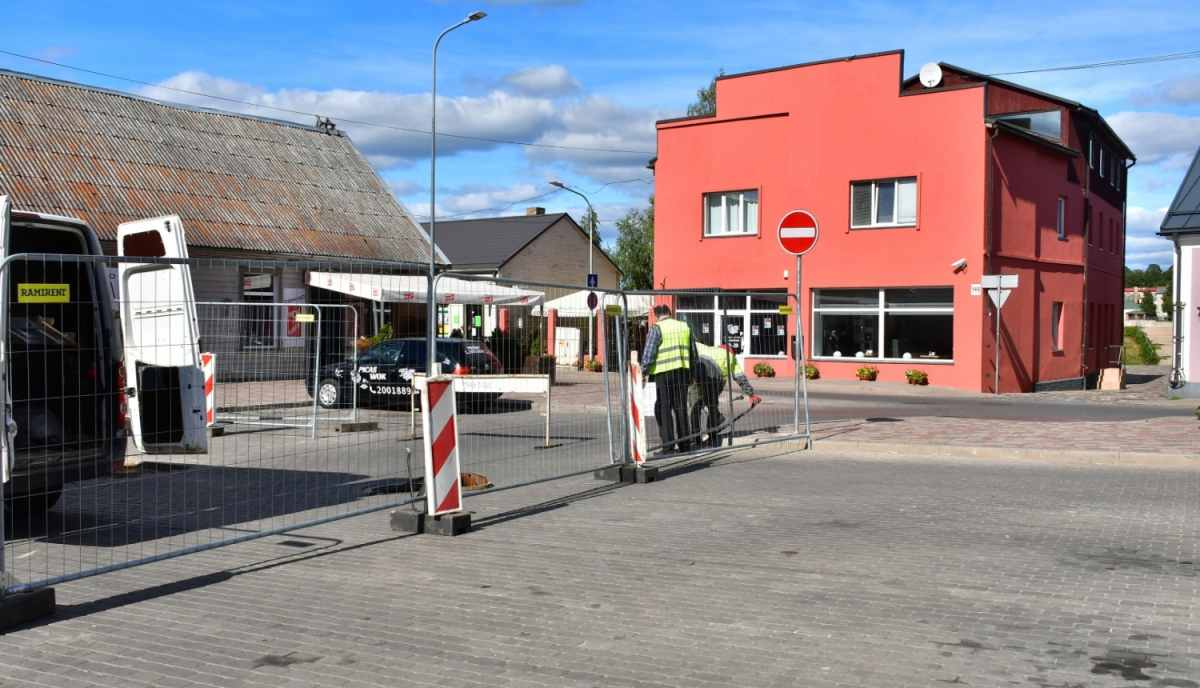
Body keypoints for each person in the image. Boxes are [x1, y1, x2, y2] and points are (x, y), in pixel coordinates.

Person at [641, 303, 697, 455]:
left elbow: (649, 353)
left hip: (662, 374)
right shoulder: (684, 326)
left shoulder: (656, 329)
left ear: (657, 315)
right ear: (670, 313)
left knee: (663, 410)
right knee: (681, 408)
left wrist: (642, 373)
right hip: (681, 373)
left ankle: (668, 446)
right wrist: (692, 372)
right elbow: (693, 352)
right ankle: (685, 445)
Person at [689, 342, 761, 448]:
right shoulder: (731, 357)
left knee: (695, 406)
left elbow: (692, 346)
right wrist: (751, 394)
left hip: (697, 372)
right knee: (712, 406)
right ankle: (712, 434)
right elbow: (739, 377)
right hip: (714, 378)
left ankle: (696, 436)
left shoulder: (707, 348)